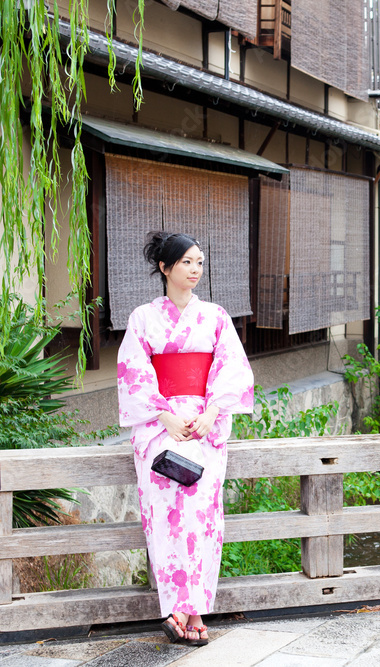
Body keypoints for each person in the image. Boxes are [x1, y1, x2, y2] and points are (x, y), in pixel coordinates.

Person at [116, 231, 254, 646]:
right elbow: (132, 373)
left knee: (202, 518)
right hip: (160, 425)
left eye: (199, 262)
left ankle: (194, 608)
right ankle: (175, 606)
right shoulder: (143, 318)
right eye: (187, 262)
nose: (195, 270)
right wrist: (163, 415)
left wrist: (212, 411)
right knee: (164, 517)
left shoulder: (215, 316)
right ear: (165, 268)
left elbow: (232, 368)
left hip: (204, 424)